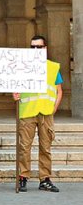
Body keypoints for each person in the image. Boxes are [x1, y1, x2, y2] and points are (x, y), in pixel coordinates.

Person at [14, 35, 62, 193]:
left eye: (38, 47)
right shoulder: (22, 66)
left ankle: (45, 179)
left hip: (46, 113)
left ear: (45, 48)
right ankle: (22, 177)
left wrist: (53, 109)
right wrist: (15, 95)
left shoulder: (53, 67)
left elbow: (58, 90)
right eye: (32, 47)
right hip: (28, 111)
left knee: (46, 148)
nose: (35, 50)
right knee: (24, 148)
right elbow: (16, 88)